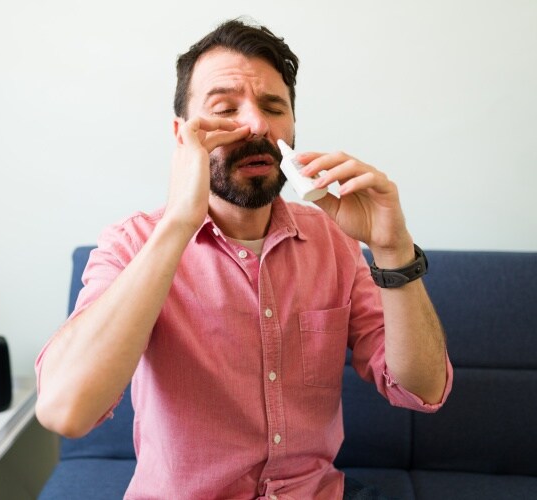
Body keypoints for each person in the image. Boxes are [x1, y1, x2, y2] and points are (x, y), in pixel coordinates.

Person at [35, 17, 452, 500]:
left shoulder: (334, 239)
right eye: (225, 108)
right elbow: (65, 411)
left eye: (273, 107)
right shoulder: (132, 245)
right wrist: (178, 223)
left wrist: (393, 249)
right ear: (182, 135)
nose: (256, 125)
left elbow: (423, 388)